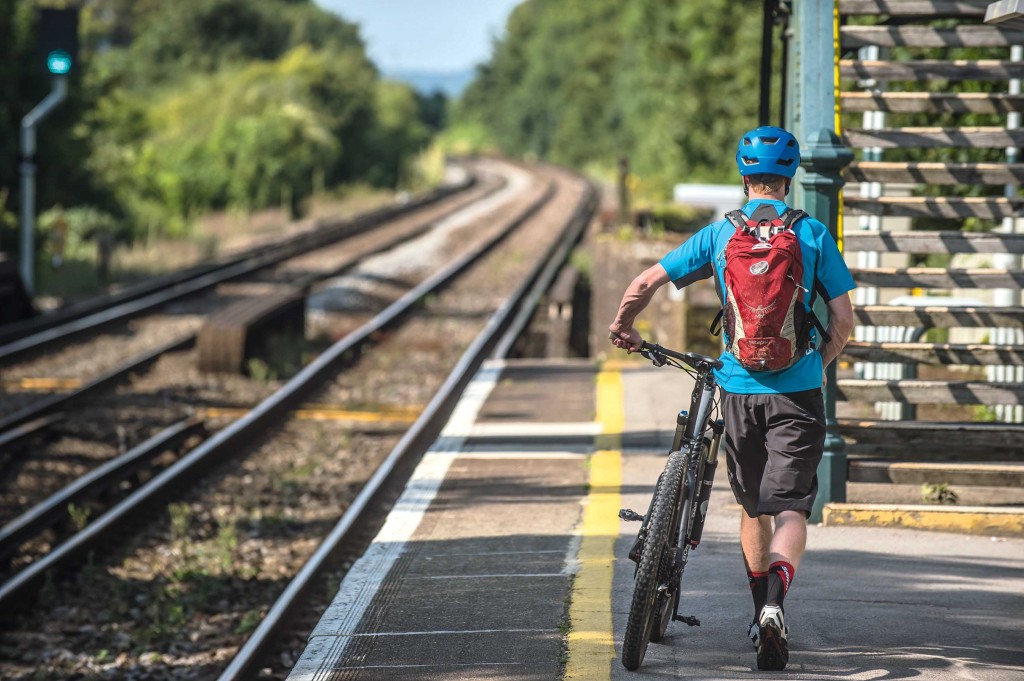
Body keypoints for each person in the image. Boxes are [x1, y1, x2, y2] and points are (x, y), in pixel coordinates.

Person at [608, 125, 855, 671]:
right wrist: (816, 366)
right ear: (789, 179)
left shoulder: (720, 235)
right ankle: (774, 608)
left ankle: (758, 605)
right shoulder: (812, 234)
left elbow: (645, 282)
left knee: (752, 507)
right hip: (799, 390)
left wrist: (624, 325)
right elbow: (843, 321)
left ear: (744, 178)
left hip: (739, 390)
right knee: (791, 508)